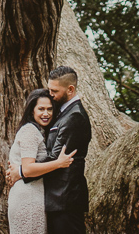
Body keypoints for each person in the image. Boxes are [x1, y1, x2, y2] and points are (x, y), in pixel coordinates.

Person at [9, 66, 92, 234]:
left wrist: (22, 171)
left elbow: (56, 157)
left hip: (66, 198)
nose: (51, 94)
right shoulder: (63, 114)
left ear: (70, 90)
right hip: (54, 199)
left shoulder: (74, 116)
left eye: (54, 91)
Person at [8, 88, 76, 234]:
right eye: (41, 109)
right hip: (28, 198)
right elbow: (27, 169)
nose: (46, 114)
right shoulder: (30, 131)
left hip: (32, 195)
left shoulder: (37, 131)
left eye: (50, 109)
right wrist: (59, 163)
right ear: (32, 110)